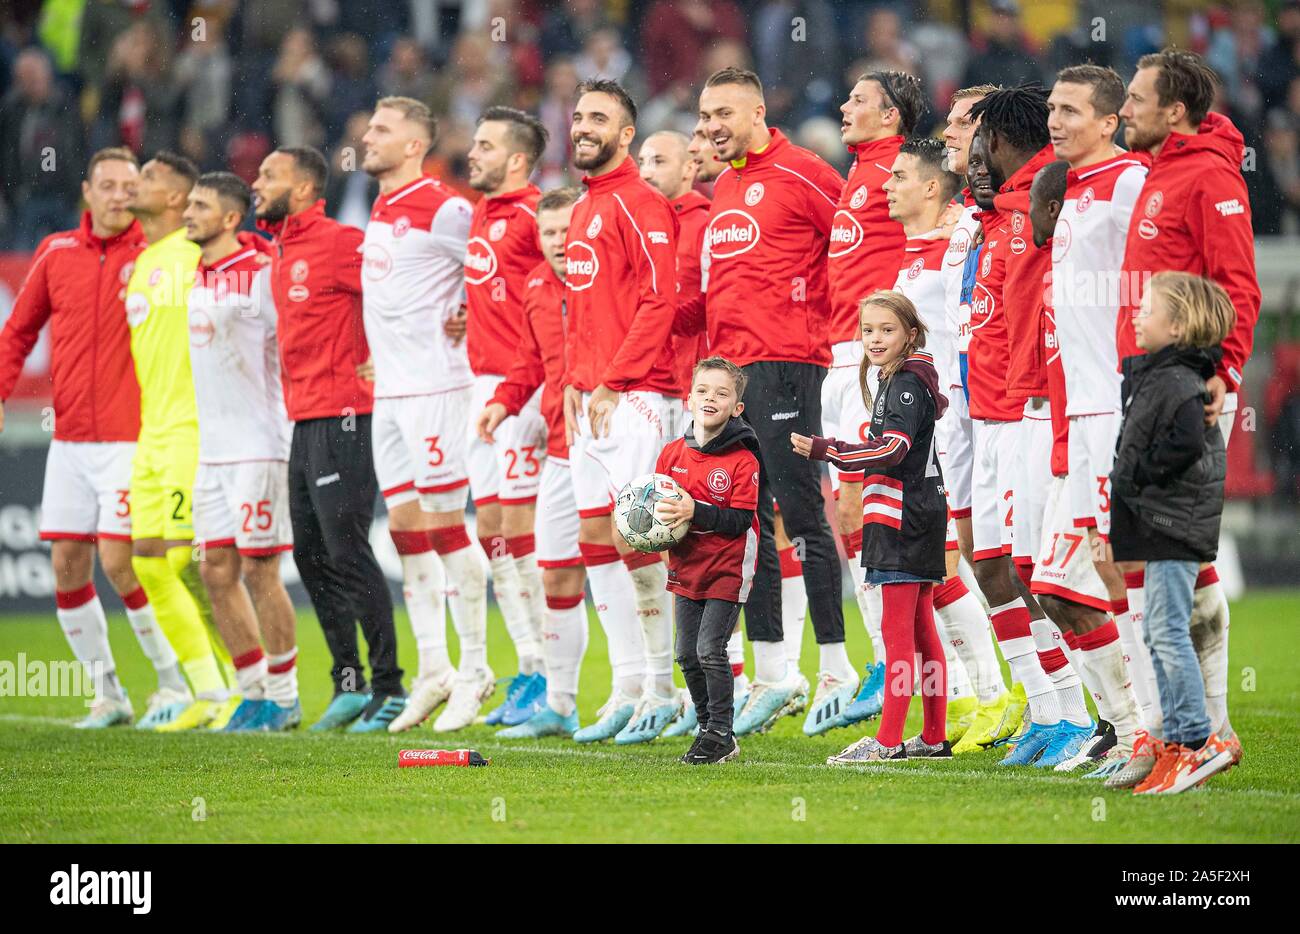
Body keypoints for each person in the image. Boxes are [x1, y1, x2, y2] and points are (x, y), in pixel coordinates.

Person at [0, 148, 188, 730]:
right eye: (105, 184)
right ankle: (108, 696)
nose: (117, 195)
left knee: (123, 563)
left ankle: (175, 683)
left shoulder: (157, 256)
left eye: (127, 185)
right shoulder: (56, 253)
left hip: (133, 441)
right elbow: (19, 331)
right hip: (71, 442)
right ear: (86, 191)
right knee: (67, 567)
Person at [1117, 49, 1260, 769]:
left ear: (1175, 111)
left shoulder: (1206, 176)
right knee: (1161, 567)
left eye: (1138, 99)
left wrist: (1224, 374)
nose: (1126, 110)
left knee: (1171, 565)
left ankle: (1203, 731)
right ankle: (1185, 728)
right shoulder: (1162, 171)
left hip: (1189, 389)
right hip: (1149, 382)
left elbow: (1239, 285)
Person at [697, 66, 847, 736]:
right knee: (750, 525)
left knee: (804, 516)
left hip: (790, 366)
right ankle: (775, 671)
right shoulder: (724, 185)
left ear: (759, 111)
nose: (712, 127)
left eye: (723, 113)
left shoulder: (805, 170)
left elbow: (856, 243)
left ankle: (839, 669)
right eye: (705, 117)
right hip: (738, 378)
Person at [253, 145, 403, 732]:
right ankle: (348, 683)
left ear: (304, 186)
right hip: (304, 417)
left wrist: (385, 359)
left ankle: (390, 687)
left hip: (346, 415)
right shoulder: (281, 249)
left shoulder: (342, 242)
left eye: (270, 174)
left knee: (347, 549)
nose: (258, 183)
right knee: (310, 554)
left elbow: (400, 291)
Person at [357, 96, 484, 733]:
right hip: (390, 395)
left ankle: (477, 668)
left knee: (444, 528)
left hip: (438, 388)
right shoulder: (379, 205)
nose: (367, 135)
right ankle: (434, 667)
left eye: (381, 129)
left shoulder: (447, 206)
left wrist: (470, 314)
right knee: (406, 531)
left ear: (413, 145)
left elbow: (494, 272)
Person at [561, 78, 680, 744]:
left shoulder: (639, 202)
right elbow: (585, 309)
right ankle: (628, 684)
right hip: (590, 402)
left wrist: (612, 381)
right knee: (596, 544)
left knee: (641, 540)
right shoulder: (585, 206)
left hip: (633, 399)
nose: (583, 126)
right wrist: (578, 385)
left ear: (626, 134)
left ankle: (664, 689)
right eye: (578, 116)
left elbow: (661, 301)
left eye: (599, 118)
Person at [1041, 65, 1152, 771]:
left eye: (1072, 110)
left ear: (1109, 121)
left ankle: (1159, 727)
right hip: (1079, 414)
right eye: (1052, 107)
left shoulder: (1130, 183)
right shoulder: (1074, 189)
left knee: (1121, 570)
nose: (1056, 120)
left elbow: (1162, 283)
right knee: (1060, 583)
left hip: (1117, 406)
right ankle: (1124, 724)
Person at [965, 92, 1080, 764]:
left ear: (999, 140)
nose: (968, 156)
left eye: (974, 138)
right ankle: (1050, 709)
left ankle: (1086, 714)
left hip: (1025, 411)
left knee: (1039, 570)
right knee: (994, 564)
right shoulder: (993, 220)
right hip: (988, 412)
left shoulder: (1039, 206)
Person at [793, 290, 951, 763]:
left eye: (887, 329)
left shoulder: (904, 383)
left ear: (911, 334)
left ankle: (887, 743)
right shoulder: (899, 378)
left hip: (905, 515)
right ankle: (934, 737)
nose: (875, 338)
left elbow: (894, 449)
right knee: (922, 629)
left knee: (897, 631)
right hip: (915, 511)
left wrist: (830, 449)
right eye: (868, 330)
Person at [814, 70, 922, 735]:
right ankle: (888, 662)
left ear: (890, 116)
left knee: (872, 516)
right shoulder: (858, 173)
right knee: (849, 516)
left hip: (871, 364)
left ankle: (907, 669)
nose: (843, 105)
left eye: (858, 100)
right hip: (840, 359)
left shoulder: (900, 173)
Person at [879, 136, 990, 746]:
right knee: (933, 575)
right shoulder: (913, 256)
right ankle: (974, 700)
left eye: (898, 176)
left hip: (953, 429)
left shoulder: (958, 244)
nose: (886, 185)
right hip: (927, 433)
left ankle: (998, 695)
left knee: (952, 565)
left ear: (930, 187)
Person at [1110, 272, 1237, 795]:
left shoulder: (1179, 380)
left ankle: (1194, 742)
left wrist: (1140, 478)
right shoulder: (1162, 374)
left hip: (1173, 527)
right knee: (1157, 633)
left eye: (1148, 308)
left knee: (1166, 632)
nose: (1136, 314)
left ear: (1179, 325)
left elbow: (1184, 446)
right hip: (1162, 525)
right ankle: (1177, 747)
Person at [182, 172, 300, 733]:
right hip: (212, 453)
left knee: (259, 568)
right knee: (213, 568)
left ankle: (285, 695)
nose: (188, 212)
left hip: (260, 444)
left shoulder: (259, 276)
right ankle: (252, 690)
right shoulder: (196, 279)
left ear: (231, 219)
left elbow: (298, 336)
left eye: (200, 205)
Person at [125, 150, 237, 732]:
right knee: (147, 563)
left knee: (188, 561)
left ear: (174, 198)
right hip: (153, 432)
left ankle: (249, 684)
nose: (130, 185)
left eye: (146, 178)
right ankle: (209, 690)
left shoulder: (196, 257)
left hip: (194, 430)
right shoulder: (142, 263)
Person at [479, 187, 593, 739]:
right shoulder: (536, 288)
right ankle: (560, 703)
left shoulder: (603, 280)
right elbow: (530, 360)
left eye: (566, 230)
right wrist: (503, 401)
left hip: (609, 437)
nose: (557, 242)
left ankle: (650, 693)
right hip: (559, 446)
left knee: (633, 569)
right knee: (554, 570)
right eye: (547, 233)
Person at [937, 85, 1019, 750]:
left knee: (1030, 562)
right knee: (977, 552)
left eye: (966, 123)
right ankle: (1033, 701)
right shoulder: (969, 218)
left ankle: (1070, 708)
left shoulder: (1021, 214)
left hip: (1011, 405)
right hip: (964, 404)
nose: (952, 134)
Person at [654, 356, 761, 765]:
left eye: (721, 393)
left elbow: (737, 521)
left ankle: (721, 733)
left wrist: (693, 510)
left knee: (710, 650)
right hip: (686, 565)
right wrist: (649, 531)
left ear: (737, 408)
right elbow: (658, 509)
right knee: (685, 654)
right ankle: (707, 728)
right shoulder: (670, 454)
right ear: (689, 399)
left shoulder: (743, 459)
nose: (709, 398)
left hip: (728, 566)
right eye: (702, 390)